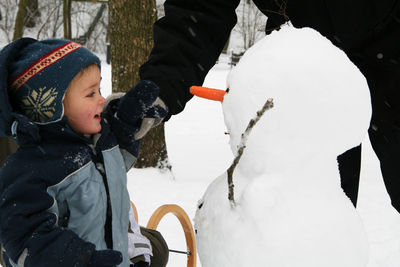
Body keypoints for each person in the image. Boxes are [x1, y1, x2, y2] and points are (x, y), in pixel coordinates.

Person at [138, 0, 400, 210]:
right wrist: (159, 87)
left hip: (392, 37)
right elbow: (198, 9)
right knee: (308, 215)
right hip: (298, 65)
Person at [0, 38, 169, 267]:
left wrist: (125, 122)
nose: (101, 99)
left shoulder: (93, 145)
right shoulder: (30, 169)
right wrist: (82, 260)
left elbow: (112, 165)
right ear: (52, 109)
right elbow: (25, 240)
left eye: (99, 89)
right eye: (90, 94)